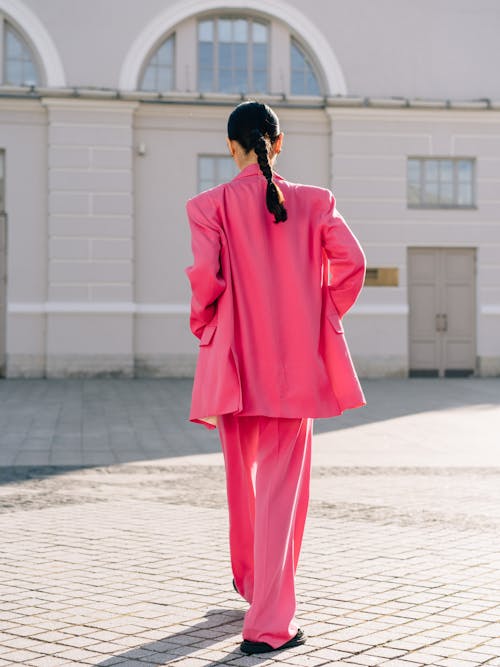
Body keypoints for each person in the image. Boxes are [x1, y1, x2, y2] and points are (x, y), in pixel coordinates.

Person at [185, 100, 366, 655]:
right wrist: (319, 316)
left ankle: (253, 585)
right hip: (292, 372)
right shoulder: (315, 203)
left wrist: (208, 328)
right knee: (283, 495)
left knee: (243, 488)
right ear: (277, 143)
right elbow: (352, 266)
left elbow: (206, 284)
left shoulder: (207, 206)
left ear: (231, 145)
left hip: (235, 369)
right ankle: (267, 624)